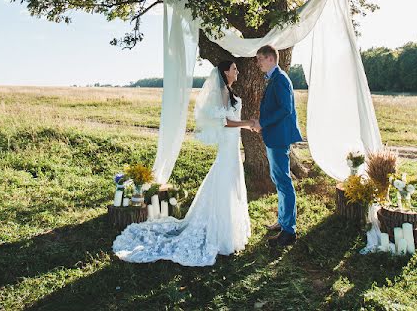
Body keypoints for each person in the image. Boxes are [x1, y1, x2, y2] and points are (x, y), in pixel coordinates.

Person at [112, 60, 258, 266]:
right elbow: (224, 122)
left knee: (228, 181)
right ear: (226, 72)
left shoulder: (229, 91)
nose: (238, 71)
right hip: (228, 144)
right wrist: (248, 123)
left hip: (232, 143)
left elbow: (229, 119)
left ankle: (229, 230)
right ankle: (222, 233)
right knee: (225, 181)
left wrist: (248, 126)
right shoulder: (224, 92)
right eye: (234, 68)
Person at [255, 44, 304, 248]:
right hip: (274, 136)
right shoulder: (275, 78)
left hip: (278, 137)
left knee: (283, 182)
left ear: (271, 59)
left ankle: (289, 231)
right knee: (278, 179)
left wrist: (262, 123)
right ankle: (283, 221)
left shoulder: (281, 79)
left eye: (260, 59)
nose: (257, 63)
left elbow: (285, 109)